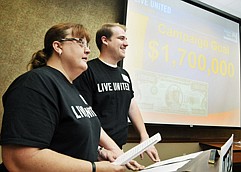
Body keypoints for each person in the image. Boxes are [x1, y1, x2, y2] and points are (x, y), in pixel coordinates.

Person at [0, 23, 144, 172]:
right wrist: (94, 168)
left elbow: (67, 140)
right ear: (58, 46)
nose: (87, 50)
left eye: (87, 44)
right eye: (80, 42)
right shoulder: (35, 84)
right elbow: (19, 159)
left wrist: (99, 152)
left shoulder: (71, 88)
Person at [73, 23, 160, 162]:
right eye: (121, 38)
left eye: (126, 39)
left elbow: (130, 104)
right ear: (105, 40)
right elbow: (84, 115)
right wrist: (100, 149)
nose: (126, 44)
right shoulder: (87, 71)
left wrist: (144, 137)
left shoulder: (124, 74)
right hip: (95, 151)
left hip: (118, 149)